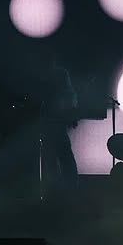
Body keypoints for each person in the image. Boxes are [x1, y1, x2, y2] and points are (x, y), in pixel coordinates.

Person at [39, 52, 79, 193]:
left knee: (59, 153)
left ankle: (62, 187)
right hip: (52, 120)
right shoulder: (59, 74)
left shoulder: (58, 74)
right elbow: (69, 94)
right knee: (60, 153)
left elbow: (68, 95)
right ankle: (63, 187)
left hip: (54, 120)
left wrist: (71, 113)